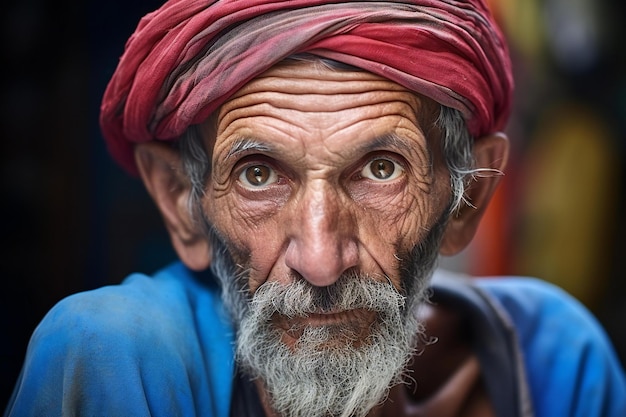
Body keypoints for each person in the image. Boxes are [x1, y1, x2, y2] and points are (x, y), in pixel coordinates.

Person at [4, 0, 626, 416]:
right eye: (257, 175)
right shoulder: (118, 355)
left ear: (467, 196)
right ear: (181, 203)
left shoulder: (554, 362)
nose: (322, 260)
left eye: (382, 169)